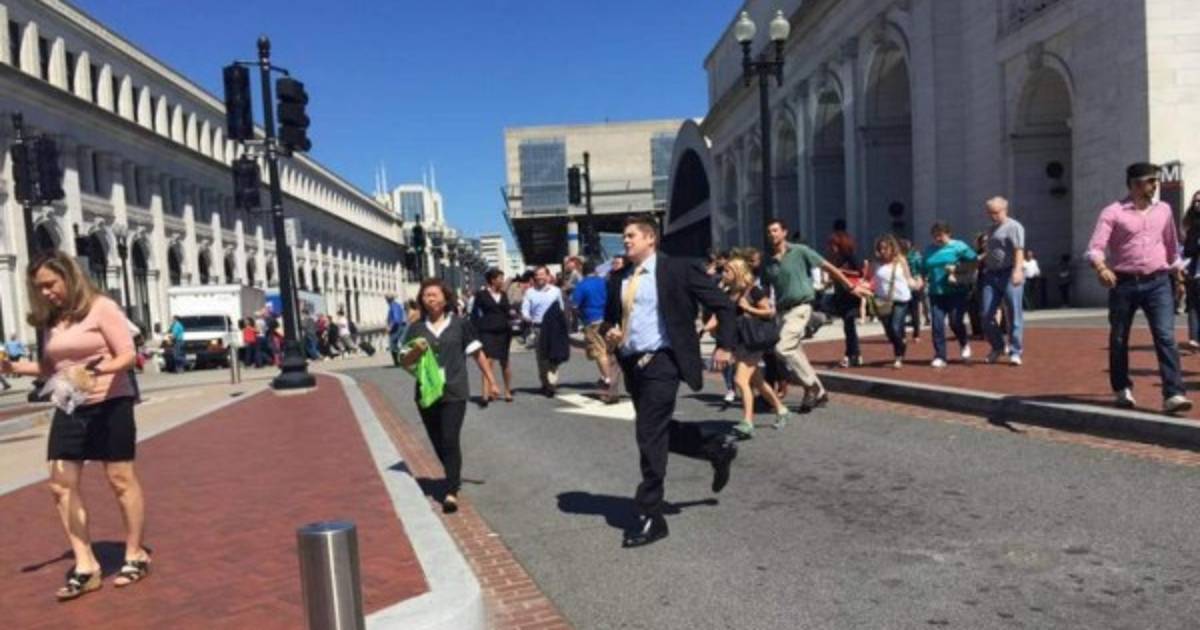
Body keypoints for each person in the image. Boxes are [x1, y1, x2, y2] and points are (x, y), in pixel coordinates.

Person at [1, 251, 150, 600]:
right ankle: (86, 565)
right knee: (60, 484)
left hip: (111, 402)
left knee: (120, 479)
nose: (46, 292)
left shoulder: (101, 307)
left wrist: (96, 371)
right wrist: (12, 368)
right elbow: (50, 368)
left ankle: (135, 554)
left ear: (68, 276)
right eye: (39, 288)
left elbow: (128, 355)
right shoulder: (52, 320)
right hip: (70, 405)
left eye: (50, 284)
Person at [603, 215, 738, 548]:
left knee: (648, 434)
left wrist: (725, 345)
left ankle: (651, 515)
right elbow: (609, 319)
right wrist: (610, 331)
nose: (626, 241)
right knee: (656, 429)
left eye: (631, 235)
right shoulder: (619, 278)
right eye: (624, 236)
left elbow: (723, 305)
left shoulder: (678, 269)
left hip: (663, 361)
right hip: (633, 363)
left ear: (651, 238)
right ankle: (714, 447)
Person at [1086, 162, 1192, 414]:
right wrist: (1101, 268)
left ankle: (1173, 394)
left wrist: (1178, 276)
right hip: (1123, 283)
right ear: (1134, 184)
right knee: (1119, 337)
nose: (1155, 185)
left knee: (1166, 336)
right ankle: (1122, 388)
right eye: (1150, 181)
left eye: (1156, 181)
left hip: (1158, 282)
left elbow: (1171, 247)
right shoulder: (1113, 212)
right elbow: (1095, 248)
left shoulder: (1164, 210)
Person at [400, 278, 496, 514]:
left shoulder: (460, 324)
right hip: (426, 393)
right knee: (438, 441)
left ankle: (451, 491)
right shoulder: (416, 328)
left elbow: (477, 353)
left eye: (434, 294)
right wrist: (415, 351)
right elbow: (404, 361)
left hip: (454, 390)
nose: (430, 298)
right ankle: (454, 473)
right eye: (425, 295)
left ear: (445, 298)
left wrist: (491, 380)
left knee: (450, 438)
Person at [763, 219, 866, 411]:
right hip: (782, 311)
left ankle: (810, 386)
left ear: (784, 232)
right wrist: (766, 309)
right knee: (795, 352)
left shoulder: (800, 251)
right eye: (769, 231)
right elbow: (767, 288)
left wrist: (849, 286)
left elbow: (828, 267)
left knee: (782, 348)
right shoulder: (768, 261)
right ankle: (820, 393)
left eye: (775, 230)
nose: (772, 234)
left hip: (801, 307)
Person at [719, 257, 789, 438]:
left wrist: (749, 309)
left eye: (727, 270)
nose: (723, 274)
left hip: (755, 341)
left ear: (738, 272)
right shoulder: (728, 292)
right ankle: (781, 409)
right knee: (757, 381)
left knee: (740, 380)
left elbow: (769, 312)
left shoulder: (753, 290)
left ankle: (747, 422)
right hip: (742, 342)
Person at [922, 222, 978, 368]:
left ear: (949, 234)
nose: (938, 239)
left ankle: (964, 343)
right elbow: (923, 268)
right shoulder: (929, 250)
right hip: (936, 292)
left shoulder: (959, 246)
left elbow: (974, 261)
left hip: (956, 291)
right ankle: (940, 356)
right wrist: (920, 279)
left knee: (955, 321)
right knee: (937, 325)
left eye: (941, 235)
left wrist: (957, 269)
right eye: (935, 236)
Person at [979, 197, 1027, 365]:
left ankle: (1015, 351)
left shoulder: (1014, 227)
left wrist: (1018, 270)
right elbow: (992, 251)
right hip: (991, 274)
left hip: (1009, 272)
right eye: (989, 213)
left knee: (1014, 313)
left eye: (995, 212)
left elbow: (1019, 250)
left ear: (1005, 210)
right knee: (986, 314)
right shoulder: (990, 229)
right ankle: (998, 347)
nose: (992, 216)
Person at [872, 235, 922, 368]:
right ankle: (900, 344)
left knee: (895, 327)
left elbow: (908, 278)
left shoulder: (900, 260)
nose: (883, 251)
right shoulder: (876, 263)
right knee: (889, 332)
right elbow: (871, 280)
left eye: (885, 248)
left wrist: (916, 284)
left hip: (901, 298)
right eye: (880, 248)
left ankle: (899, 355)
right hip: (883, 300)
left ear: (892, 248)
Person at [572, 259, 615, 401]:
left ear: (583, 271)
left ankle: (607, 379)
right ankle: (606, 376)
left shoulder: (582, 285)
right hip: (607, 319)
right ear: (595, 270)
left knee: (599, 351)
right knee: (608, 350)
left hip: (592, 320)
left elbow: (575, 305)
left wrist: (579, 316)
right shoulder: (604, 282)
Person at [520, 266, 564, 396]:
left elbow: (561, 308)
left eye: (542, 274)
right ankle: (545, 383)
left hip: (554, 328)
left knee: (554, 356)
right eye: (537, 275)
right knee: (542, 358)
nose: (539, 277)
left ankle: (551, 384)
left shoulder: (556, 291)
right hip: (538, 328)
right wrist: (527, 317)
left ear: (548, 276)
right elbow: (525, 309)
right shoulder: (530, 292)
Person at [470, 269, 512, 403]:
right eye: (500, 278)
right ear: (493, 280)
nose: (502, 281)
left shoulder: (503, 294)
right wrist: (474, 331)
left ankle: (507, 390)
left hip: (503, 331)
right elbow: (474, 313)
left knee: (505, 362)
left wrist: (513, 315)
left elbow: (507, 311)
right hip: (487, 331)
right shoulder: (481, 295)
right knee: (488, 361)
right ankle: (485, 393)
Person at [827, 230, 866, 367]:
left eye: (834, 245)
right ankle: (855, 354)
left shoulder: (851, 256)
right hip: (841, 295)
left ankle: (850, 355)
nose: (832, 248)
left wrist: (842, 272)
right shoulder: (836, 259)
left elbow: (860, 272)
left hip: (852, 295)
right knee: (848, 327)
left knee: (849, 324)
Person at [1182, 192, 1200, 350]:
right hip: (1194, 272)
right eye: (1195, 201)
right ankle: (1194, 338)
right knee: (1193, 306)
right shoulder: (1191, 226)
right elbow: (1187, 250)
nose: (1197, 204)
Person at [901, 239, 925, 341]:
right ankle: (916, 334)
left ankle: (905, 335)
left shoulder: (900, 258)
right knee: (914, 309)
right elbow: (922, 269)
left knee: (904, 310)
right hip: (914, 283)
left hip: (906, 284)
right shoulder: (916, 256)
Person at [386, 295, 407, 367]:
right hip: (401, 326)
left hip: (396, 327)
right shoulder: (397, 305)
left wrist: (390, 327)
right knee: (398, 344)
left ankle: (397, 362)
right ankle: (401, 360)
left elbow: (396, 319)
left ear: (388, 299)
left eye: (386, 298)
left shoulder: (393, 306)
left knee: (392, 344)